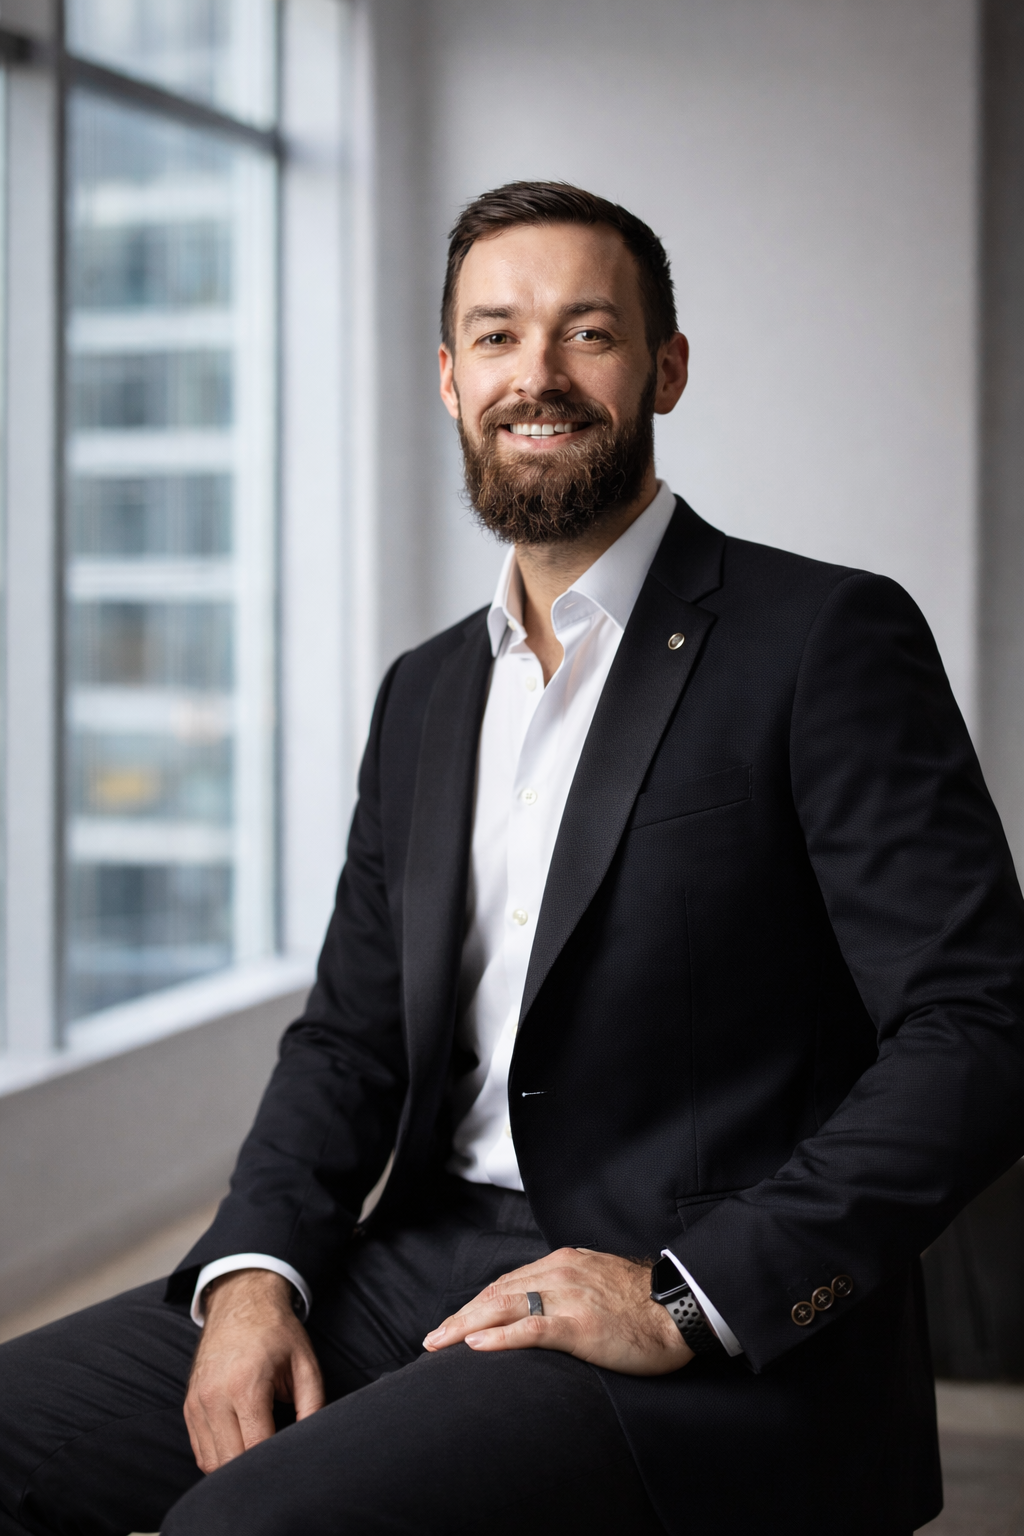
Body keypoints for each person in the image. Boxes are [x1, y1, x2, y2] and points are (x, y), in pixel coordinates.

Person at [2, 181, 1023, 1536]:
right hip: (417, 1263)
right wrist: (252, 1272)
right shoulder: (426, 693)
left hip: (684, 1309)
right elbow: (350, 1041)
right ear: (450, 378)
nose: (535, 374)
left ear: (665, 369)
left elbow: (979, 1027)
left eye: (586, 332)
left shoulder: (822, 639)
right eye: (495, 336)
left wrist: (687, 1294)